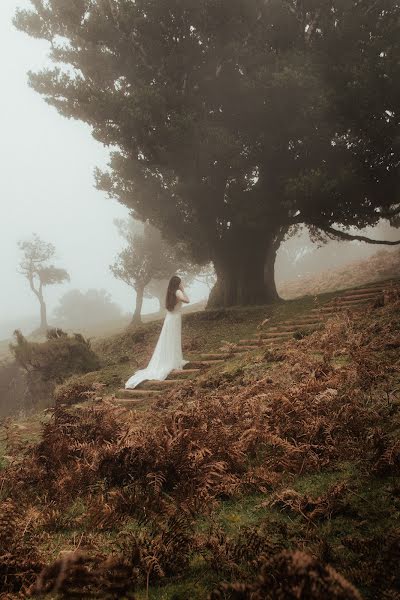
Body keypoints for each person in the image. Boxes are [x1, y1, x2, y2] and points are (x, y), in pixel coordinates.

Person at [125, 275, 190, 389]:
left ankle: (171, 359)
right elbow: (187, 300)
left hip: (169, 318)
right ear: (178, 283)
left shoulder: (170, 292)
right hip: (174, 319)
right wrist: (184, 290)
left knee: (168, 339)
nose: (182, 284)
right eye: (181, 282)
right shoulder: (178, 292)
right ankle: (173, 361)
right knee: (173, 339)